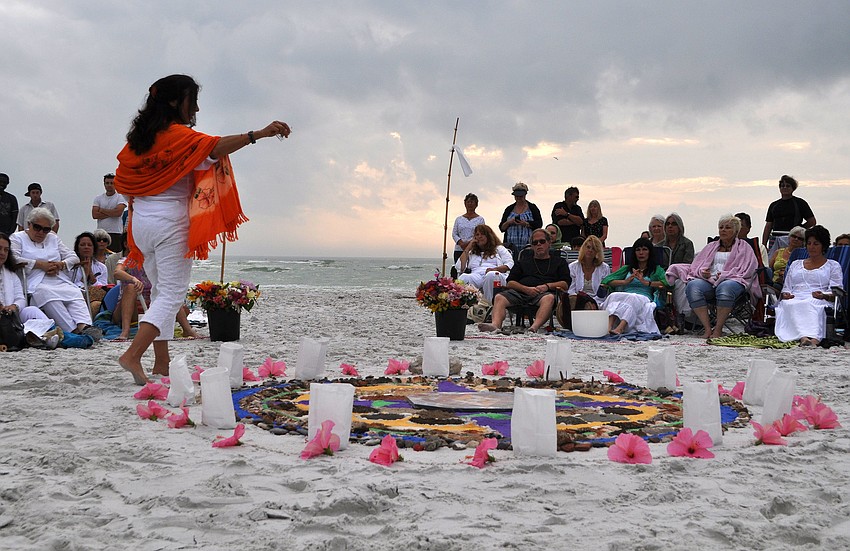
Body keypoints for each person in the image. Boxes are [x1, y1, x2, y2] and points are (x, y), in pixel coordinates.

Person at [114, 74, 291, 385]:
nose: (195, 107)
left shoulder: (138, 141)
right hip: (170, 223)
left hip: (140, 222)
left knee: (159, 294)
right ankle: (132, 355)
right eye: (191, 99)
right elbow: (215, 148)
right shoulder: (179, 137)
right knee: (171, 295)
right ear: (173, 102)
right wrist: (258, 134)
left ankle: (162, 364)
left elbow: (122, 180)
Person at [10, 208, 97, 335]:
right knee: (48, 295)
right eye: (37, 227)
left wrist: (61, 264)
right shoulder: (17, 238)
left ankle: (85, 326)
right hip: (35, 281)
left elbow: (73, 257)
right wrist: (40, 265)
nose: (41, 232)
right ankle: (72, 330)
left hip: (58, 278)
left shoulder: (53, 238)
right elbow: (14, 259)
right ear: (29, 224)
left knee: (74, 292)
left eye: (46, 229)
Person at [680, 215, 759, 340]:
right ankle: (707, 328)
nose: (723, 230)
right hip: (710, 281)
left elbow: (748, 268)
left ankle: (718, 329)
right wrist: (703, 272)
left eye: (727, 228)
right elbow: (698, 265)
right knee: (693, 286)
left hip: (734, 280)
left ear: (736, 231)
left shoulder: (744, 247)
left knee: (725, 287)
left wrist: (726, 275)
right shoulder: (711, 247)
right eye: (721, 227)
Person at [478, 228, 569, 334]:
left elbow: (565, 283)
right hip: (520, 293)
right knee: (499, 297)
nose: (539, 244)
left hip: (543, 294)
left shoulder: (559, 262)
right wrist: (525, 289)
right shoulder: (523, 261)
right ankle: (495, 325)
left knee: (549, 298)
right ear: (532, 246)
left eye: (542, 241)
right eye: (535, 243)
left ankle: (534, 327)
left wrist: (547, 286)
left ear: (549, 243)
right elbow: (510, 282)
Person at [775, 226, 843, 346]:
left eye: (816, 244)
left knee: (810, 303)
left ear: (823, 246)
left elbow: (836, 290)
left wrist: (824, 295)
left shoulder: (833, 266)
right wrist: (785, 295)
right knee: (790, 304)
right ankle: (804, 337)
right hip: (795, 297)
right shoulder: (796, 264)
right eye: (809, 243)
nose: (811, 247)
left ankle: (815, 338)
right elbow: (787, 287)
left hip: (819, 298)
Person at [600, 237, 669, 334]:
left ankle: (620, 328)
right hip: (626, 295)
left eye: (644, 249)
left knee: (633, 298)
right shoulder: (628, 268)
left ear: (650, 252)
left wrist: (646, 282)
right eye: (638, 250)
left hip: (644, 297)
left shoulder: (656, 269)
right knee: (613, 296)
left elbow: (667, 283)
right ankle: (608, 327)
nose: (641, 253)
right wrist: (625, 282)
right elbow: (607, 280)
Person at [0, 232, 52, 324]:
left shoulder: (12, 275)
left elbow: (20, 298)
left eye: (6, 250)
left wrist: (14, 306)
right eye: (0, 248)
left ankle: (54, 334)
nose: (2, 253)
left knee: (32, 311)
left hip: (11, 317)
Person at [455, 224, 514, 303]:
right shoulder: (473, 252)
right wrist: (469, 247)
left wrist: (495, 269)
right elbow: (459, 267)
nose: (479, 237)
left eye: (482, 234)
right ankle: (464, 306)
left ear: (488, 236)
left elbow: (510, 264)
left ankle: (489, 305)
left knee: (491, 275)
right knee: (464, 277)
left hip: (496, 274)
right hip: (477, 275)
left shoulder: (499, 248)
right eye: (477, 235)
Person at [762, 175, 816, 251]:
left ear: (793, 188)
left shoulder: (800, 203)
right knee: (774, 261)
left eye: (788, 186)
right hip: (775, 238)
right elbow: (768, 225)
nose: (785, 188)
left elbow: (812, 221)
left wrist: (798, 230)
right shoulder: (774, 205)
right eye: (782, 186)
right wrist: (764, 244)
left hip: (793, 238)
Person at [70, 231, 109, 317]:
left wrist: (90, 274)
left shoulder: (101, 267)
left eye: (89, 245)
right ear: (77, 248)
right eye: (83, 245)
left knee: (96, 305)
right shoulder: (71, 267)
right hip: (75, 299)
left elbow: (103, 288)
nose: (86, 247)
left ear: (94, 248)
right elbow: (71, 286)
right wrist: (84, 275)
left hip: (95, 299)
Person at [499, 182, 543, 256]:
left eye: (521, 196)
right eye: (516, 196)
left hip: (528, 245)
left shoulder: (532, 208)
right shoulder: (509, 209)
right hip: (511, 246)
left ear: (525, 195)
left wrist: (526, 224)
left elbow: (539, 224)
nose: (518, 198)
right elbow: (501, 228)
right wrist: (509, 222)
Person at [568, 235, 610, 310]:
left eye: (593, 249)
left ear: (597, 252)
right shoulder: (573, 267)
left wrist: (593, 302)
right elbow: (571, 290)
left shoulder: (604, 268)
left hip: (598, 302)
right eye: (588, 247)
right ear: (583, 248)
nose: (590, 250)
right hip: (577, 301)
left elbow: (603, 292)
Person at [92, 173, 127, 253]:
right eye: (107, 183)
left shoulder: (120, 197)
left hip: (116, 233)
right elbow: (95, 215)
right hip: (101, 233)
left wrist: (101, 210)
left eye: (112, 183)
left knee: (114, 257)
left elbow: (118, 212)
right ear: (104, 184)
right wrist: (112, 212)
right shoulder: (98, 198)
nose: (109, 185)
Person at [451, 193, 485, 263]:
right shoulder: (459, 219)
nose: (470, 204)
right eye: (468, 202)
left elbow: (481, 234)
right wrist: (461, 243)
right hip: (459, 249)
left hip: (474, 250)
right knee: (459, 269)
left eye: (472, 202)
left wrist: (469, 244)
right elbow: (454, 233)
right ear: (465, 204)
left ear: (476, 204)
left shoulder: (480, 219)